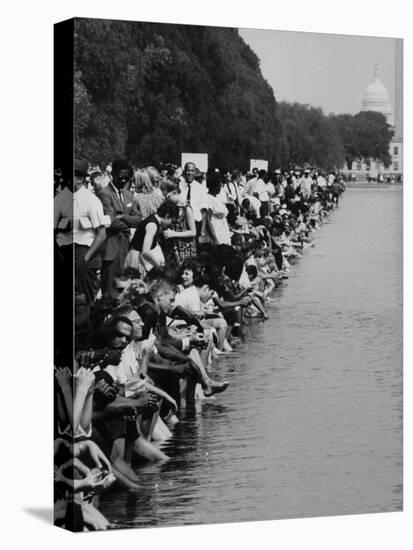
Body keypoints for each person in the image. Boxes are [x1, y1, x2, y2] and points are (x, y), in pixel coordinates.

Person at [54, 158, 107, 305]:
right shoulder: (59, 198)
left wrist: (87, 257)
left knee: (83, 295)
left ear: (80, 179)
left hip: (83, 250)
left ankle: (86, 319)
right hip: (63, 247)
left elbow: (101, 234)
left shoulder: (91, 200)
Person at [98, 159, 141, 296]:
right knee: (109, 290)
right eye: (121, 177)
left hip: (126, 248)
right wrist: (127, 225)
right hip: (111, 248)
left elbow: (138, 219)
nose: (124, 181)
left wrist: (122, 217)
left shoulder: (129, 195)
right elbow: (111, 221)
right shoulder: (105, 194)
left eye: (127, 178)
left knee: (124, 290)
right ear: (113, 175)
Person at [129, 200, 180, 275]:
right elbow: (145, 251)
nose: (171, 224)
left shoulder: (153, 219)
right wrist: (159, 265)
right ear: (167, 216)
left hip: (137, 255)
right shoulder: (152, 225)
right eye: (172, 220)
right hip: (137, 259)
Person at [159, 179, 197, 267]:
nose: (166, 199)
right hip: (174, 246)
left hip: (185, 247)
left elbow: (193, 232)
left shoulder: (186, 208)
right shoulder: (173, 207)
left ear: (175, 193)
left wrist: (174, 234)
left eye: (168, 197)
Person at [178, 162, 208, 236]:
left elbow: (204, 210)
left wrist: (202, 230)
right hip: (181, 222)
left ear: (195, 172)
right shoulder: (178, 186)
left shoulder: (201, 188)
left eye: (192, 171)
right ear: (184, 171)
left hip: (196, 223)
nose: (190, 173)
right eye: (188, 170)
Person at [204, 172, 231, 245]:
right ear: (213, 186)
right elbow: (207, 219)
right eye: (219, 185)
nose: (220, 188)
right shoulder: (208, 198)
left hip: (223, 228)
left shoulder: (217, 198)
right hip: (216, 229)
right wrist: (214, 238)